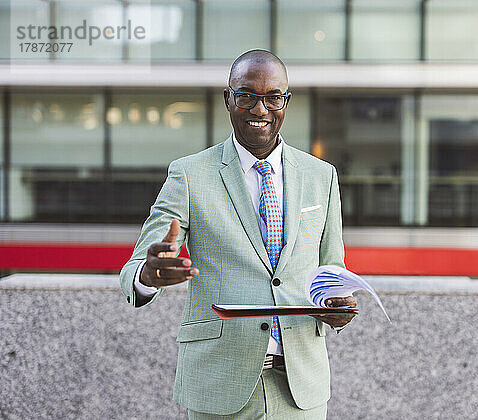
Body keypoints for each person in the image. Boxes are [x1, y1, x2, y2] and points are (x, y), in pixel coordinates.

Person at [119, 49, 357, 419]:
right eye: (246, 95)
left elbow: (331, 270)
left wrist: (337, 305)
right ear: (228, 99)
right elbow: (137, 264)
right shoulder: (189, 174)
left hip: (300, 388)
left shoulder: (321, 176)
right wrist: (148, 276)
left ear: (285, 102)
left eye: (272, 97)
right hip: (219, 383)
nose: (260, 109)